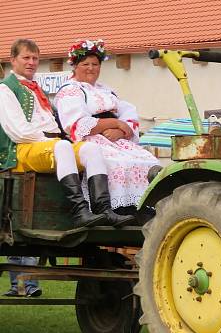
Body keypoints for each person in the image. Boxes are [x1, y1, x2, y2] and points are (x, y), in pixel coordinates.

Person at [0, 38, 133, 228]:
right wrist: (51, 140)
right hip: (20, 150)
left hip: (48, 146)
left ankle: (103, 210)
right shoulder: (5, 89)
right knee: (62, 146)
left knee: (91, 149)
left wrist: (59, 140)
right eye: (26, 58)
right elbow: (19, 132)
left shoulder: (37, 89)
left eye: (35, 58)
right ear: (13, 60)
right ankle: (79, 211)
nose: (31, 62)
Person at [54, 39, 160, 219]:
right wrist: (116, 124)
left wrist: (120, 131)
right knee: (115, 162)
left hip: (115, 139)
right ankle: (113, 208)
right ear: (75, 66)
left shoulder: (106, 90)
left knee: (148, 161)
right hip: (89, 139)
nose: (91, 68)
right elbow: (78, 124)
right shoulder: (70, 90)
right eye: (85, 64)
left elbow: (128, 114)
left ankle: (141, 205)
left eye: (95, 64)